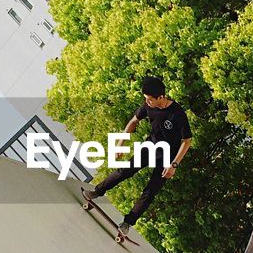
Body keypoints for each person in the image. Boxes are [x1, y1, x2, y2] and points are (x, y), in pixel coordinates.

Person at [82, 76, 192, 240]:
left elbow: (187, 141)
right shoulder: (148, 106)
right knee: (125, 171)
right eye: (145, 99)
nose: (147, 102)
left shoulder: (177, 114)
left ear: (161, 97)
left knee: (150, 191)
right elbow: (134, 121)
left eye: (149, 100)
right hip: (149, 147)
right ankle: (96, 192)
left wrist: (174, 164)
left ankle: (127, 223)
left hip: (167, 158)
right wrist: (120, 142)